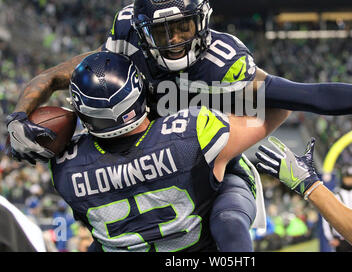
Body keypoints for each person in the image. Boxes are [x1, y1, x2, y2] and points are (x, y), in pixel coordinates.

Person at [6, 0, 352, 251]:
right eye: (162, 31)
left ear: (201, 20)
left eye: (182, 27)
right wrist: (19, 118)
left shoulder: (226, 61)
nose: (173, 41)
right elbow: (63, 78)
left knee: (228, 226)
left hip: (209, 156)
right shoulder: (126, 43)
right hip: (138, 155)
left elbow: (309, 96)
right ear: (142, 29)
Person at [49, 50, 285, 252]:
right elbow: (279, 107)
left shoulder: (65, 165)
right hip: (199, 243)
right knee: (229, 209)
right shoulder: (189, 132)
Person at [321, 166, 352, 252]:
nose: (349, 180)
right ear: (342, 178)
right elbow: (326, 217)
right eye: (347, 178)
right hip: (340, 239)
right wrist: (330, 238)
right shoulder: (335, 196)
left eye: (351, 178)